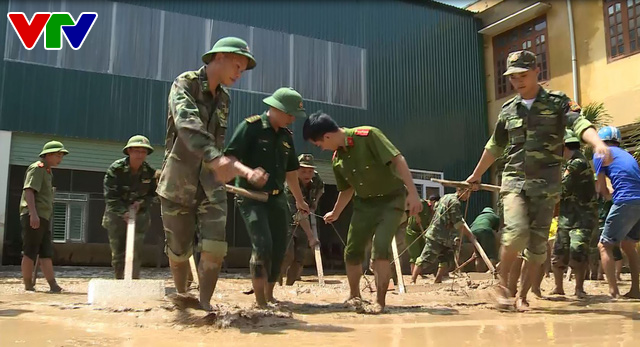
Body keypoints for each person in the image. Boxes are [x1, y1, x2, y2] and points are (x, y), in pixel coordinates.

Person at [465, 50, 610, 311]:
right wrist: (476, 175)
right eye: (513, 77)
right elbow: (495, 145)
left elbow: (579, 123)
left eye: (523, 75)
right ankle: (501, 285)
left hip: (546, 185)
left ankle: (521, 296)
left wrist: (598, 143)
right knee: (516, 231)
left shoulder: (557, 102)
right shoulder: (508, 109)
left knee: (537, 247)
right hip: (514, 180)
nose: (518, 81)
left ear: (536, 72)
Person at [156, 37, 268, 311]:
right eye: (237, 66)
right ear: (219, 57)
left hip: (211, 182)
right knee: (179, 249)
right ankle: (183, 298)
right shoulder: (185, 84)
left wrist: (241, 169)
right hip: (179, 180)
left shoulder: (224, 98)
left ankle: (205, 304)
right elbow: (188, 125)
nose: (239, 74)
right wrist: (217, 159)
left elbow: (217, 143)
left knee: (215, 246)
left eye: (243, 69)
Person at [302, 111, 422, 313]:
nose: (321, 148)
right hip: (364, 204)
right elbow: (347, 189)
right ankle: (354, 295)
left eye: (319, 144)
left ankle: (380, 302)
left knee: (380, 247)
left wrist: (413, 193)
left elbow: (398, 160)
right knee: (352, 250)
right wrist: (336, 212)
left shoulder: (368, 136)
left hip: (391, 200)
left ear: (327, 137)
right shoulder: (337, 159)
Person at [224, 87, 310, 307]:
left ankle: (270, 295)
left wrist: (299, 200)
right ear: (276, 109)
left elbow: (291, 172)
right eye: (290, 114)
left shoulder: (285, 136)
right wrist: (248, 173)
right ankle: (260, 301)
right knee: (263, 244)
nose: (292, 119)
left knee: (280, 246)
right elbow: (229, 158)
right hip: (251, 196)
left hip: (277, 198)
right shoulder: (250, 128)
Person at [102, 135, 158, 279]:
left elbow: (152, 194)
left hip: (139, 215)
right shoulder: (116, 169)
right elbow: (110, 196)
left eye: (143, 152)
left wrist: (141, 203)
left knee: (135, 250)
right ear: (129, 151)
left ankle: (133, 280)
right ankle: (120, 280)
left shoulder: (150, 172)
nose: (140, 155)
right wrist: (123, 212)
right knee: (118, 251)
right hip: (116, 215)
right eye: (136, 151)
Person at [594, 126, 640, 299]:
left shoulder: (600, 152)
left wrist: (607, 197)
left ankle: (613, 293)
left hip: (625, 200)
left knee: (604, 245)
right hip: (639, 200)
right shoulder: (627, 154)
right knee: (628, 245)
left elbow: (601, 188)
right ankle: (636, 289)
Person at [550, 130, 597, 298]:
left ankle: (579, 289)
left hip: (582, 217)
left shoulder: (577, 163)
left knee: (577, 251)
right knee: (559, 252)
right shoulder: (570, 163)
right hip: (567, 216)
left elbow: (562, 188)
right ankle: (559, 288)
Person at [20, 141, 69, 292]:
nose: (60, 158)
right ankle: (28, 285)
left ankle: (53, 285)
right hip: (34, 215)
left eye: (61, 155)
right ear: (48, 155)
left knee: (46, 251)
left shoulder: (48, 171)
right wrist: (33, 214)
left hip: (43, 216)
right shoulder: (37, 169)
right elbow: (29, 191)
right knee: (30, 251)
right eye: (57, 155)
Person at [410, 188, 473, 284]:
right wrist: (470, 236)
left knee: (446, 258)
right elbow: (458, 223)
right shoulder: (455, 203)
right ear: (461, 191)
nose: (468, 196)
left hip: (446, 237)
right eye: (467, 193)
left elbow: (435, 208)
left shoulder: (445, 197)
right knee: (426, 257)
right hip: (437, 235)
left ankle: (438, 280)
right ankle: (412, 280)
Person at [280, 154, 324, 286]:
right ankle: (277, 283)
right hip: (286, 219)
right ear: (296, 171)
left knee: (299, 257)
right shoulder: (290, 186)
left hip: (303, 221)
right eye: (303, 171)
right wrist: (311, 237)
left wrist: (315, 202)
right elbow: (298, 214)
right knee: (287, 255)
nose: (307, 174)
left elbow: (320, 189)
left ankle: (290, 286)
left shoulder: (316, 179)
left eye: (310, 171)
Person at [405, 198, 436, 275]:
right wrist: (416, 216)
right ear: (433, 202)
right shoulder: (422, 203)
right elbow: (410, 205)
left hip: (421, 233)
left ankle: (418, 273)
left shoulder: (431, 210)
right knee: (414, 255)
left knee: (421, 255)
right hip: (412, 232)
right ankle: (413, 275)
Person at [469, 207, 500, 272]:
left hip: (472, 232)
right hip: (485, 231)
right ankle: (492, 272)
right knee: (491, 255)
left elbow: (471, 226)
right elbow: (495, 232)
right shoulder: (495, 217)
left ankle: (480, 273)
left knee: (478, 256)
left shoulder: (478, 217)